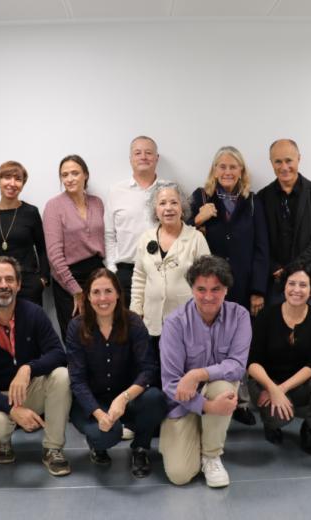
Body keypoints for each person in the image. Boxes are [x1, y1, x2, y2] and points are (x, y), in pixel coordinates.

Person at [0, 256, 72, 475]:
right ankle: (2, 441)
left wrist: (28, 368)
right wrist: (12, 409)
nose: (3, 285)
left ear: (19, 284)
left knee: (63, 375)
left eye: (9, 279)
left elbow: (58, 354)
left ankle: (53, 448)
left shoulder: (34, 313)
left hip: (29, 389)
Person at [189, 145, 269, 426]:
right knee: (209, 344)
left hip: (243, 285)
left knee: (240, 345)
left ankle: (240, 402)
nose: (227, 171)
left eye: (233, 167)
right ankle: (206, 399)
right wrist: (197, 219)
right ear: (214, 170)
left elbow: (262, 248)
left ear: (241, 171)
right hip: (210, 288)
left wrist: (258, 290)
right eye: (222, 166)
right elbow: (182, 235)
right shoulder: (200, 197)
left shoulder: (252, 201)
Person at [159, 255, 251, 487]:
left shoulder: (240, 316)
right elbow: (170, 383)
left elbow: (237, 366)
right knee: (180, 475)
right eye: (201, 289)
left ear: (226, 289)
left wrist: (197, 374)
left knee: (223, 386)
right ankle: (194, 431)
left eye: (215, 289)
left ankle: (211, 455)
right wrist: (207, 407)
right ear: (192, 289)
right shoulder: (174, 323)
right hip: (183, 403)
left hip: (218, 392)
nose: (208, 296)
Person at [65, 268, 167, 477]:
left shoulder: (133, 322)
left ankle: (140, 449)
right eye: (96, 292)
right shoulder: (76, 327)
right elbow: (77, 380)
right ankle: (98, 446)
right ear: (87, 296)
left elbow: (148, 369)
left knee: (155, 398)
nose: (103, 298)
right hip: (92, 402)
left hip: (128, 398)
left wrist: (124, 397)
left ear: (118, 294)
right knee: (105, 435)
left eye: (108, 291)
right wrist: (99, 414)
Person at [247, 264, 311, 454]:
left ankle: (310, 427)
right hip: (267, 382)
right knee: (279, 418)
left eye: (303, 285)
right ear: (284, 287)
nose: (296, 290)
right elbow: (252, 362)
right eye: (291, 283)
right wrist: (272, 388)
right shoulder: (266, 315)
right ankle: (271, 424)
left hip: (299, 383)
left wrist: (280, 390)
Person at [130, 181, 210, 363]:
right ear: (155, 210)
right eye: (162, 203)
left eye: (174, 202)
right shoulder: (146, 238)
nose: (168, 208)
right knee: (153, 372)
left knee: (181, 372)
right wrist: (136, 311)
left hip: (187, 323)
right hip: (151, 323)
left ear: (182, 207)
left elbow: (207, 281)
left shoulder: (196, 238)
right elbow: (139, 278)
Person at [257, 139, 311, 308]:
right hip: (276, 286)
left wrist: (291, 270)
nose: (284, 167)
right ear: (271, 163)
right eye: (278, 161)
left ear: (299, 159)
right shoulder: (262, 197)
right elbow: (260, 241)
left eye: (288, 160)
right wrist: (274, 267)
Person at [43, 154, 106, 337]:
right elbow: (54, 255)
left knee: (101, 331)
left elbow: (106, 239)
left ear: (85, 174)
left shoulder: (97, 203)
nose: (69, 179)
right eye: (64, 175)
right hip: (68, 278)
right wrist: (75, 290)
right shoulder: (54, 206)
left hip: (97, 275)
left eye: (75, 173)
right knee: (76, 334)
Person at [0, 160, 49, 308]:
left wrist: (43, 280)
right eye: (7, 177)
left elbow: (42, 248)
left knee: (29, 322)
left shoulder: (31, 212)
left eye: (18, 179)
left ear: (22, 184)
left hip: (27, 284)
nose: (12, 183)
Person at [104, 136, 165, 305]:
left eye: (148, 153)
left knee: (161, 320)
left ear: (157, 158)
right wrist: (112, 270)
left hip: (163, 270)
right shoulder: (115, 191)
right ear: (130, 158)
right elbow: (109, 234)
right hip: (126, 273)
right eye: (138, 153)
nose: (143, 157)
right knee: (128, 321)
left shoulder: (170, 189)